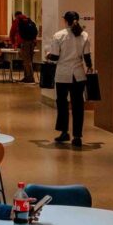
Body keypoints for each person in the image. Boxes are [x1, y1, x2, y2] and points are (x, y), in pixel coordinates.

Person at [46, 11, 92, 147]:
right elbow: (87, 56)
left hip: (62, 75)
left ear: (65, 20)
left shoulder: (59, 35)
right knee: (78, 106)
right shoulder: (84, 35)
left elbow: (55, 57)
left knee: (62, 104)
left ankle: (64, 132)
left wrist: (48, 55)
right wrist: (89, 67)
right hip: (79, 75)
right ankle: (77, 136)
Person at [9, 11, 38, 83]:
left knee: (26, 61)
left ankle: (30, 78)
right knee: (29, 60)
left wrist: (13, 44)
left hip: (24, 43)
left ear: (16, 16)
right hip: (32, 43)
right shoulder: (29, 20)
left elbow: (12, 33)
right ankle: (27, 77)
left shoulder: (17, 21)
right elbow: (35, 32)